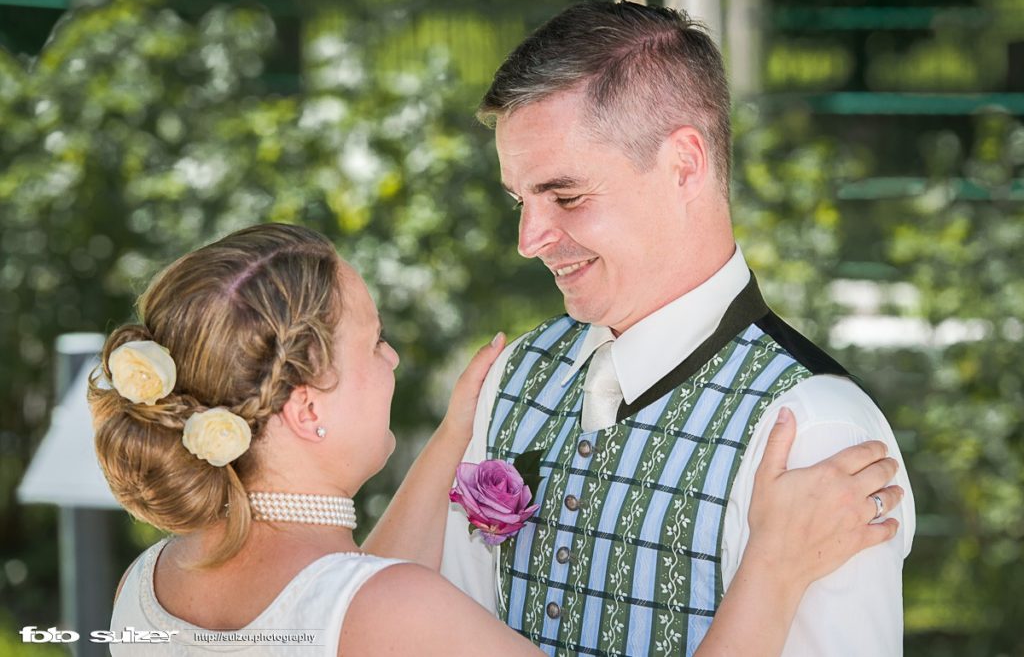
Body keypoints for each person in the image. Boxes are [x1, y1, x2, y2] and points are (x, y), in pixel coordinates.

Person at [90, 223, 901, 656]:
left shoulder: (147, 587)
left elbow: (344, 598)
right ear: (306, 411)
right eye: (373, 342)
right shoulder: (387, 610)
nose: (394, 358)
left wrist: (455, 435)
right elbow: (367, 607)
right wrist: (775, 566)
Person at [440, 0, 915, 657]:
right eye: (521, 200)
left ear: (685, 163)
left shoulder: (814, 429)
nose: (529, 240)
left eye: (567, 196)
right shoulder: (513, 375)